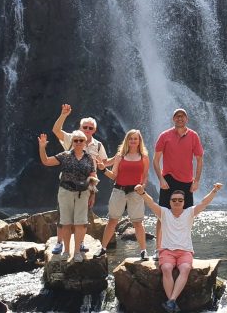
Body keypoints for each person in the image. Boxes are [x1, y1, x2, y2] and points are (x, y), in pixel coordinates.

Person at [135, 182, 222, 313]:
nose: (177, 202)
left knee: (186, 268)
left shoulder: (189, 212)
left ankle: (171, 301)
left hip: (185, 251)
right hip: (167, 251)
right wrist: (142, 192)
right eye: (174, 200)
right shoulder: (163, 213)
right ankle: (172, 302)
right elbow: (151, 203)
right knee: (166, 268)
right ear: (169, 202)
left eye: (180, 200)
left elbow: (204, 203)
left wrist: (214, 190)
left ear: (184, 202)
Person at [51, 104, 110, 255]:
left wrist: (119, 158)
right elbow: (56, 131)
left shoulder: (98, 145)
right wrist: (64, 115)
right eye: (85, 127)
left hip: (87, 186)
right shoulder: (72, 138)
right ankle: (59, 243)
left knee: (83, 216)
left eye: (90, 128)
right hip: (67, 184)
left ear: (94, 130)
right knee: (63, 214)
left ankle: (81, 242)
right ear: (80, 127)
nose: (87, 130)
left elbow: (104, 163)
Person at [38, 131, 98, 262]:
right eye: (75, 140)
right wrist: (42, 147)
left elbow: (93, 176)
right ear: (72, 142)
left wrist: (93, 194)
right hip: (66, 191)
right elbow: (46, 161)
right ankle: (66, 250)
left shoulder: (89, 158)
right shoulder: (65, 155)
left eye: (80, 140)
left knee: (80, 223)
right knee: (65, 222)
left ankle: (77, 251)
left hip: (83, 193)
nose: (78, 143)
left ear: (84, 143)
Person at [153, 108, 205, 258]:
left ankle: (185, 247)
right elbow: (156, 160)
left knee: (188, 216)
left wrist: (196, 180)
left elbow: (199, 159)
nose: (180, 118)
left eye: (182, 116)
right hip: (168, 180)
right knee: (161, 215)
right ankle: (158, 249)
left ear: (186, 119)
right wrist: (161, 179)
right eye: (177, 116)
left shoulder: (194, 136)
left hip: (187, 181)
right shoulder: (164, 136)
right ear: (173, 119)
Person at [94, 129, 150, 260]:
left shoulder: (144, 158)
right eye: (130, 138)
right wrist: (103, 169)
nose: (133, 141)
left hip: (136, 192)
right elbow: (113, 176)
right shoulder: (119, 156)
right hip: (119, 190)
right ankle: (102, 249)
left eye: (135, 138)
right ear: (127, 140)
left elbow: (145, 176)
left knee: (138, 222)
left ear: (139, 141)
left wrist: (143, 186)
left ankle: (143, 251)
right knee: (112, 220)